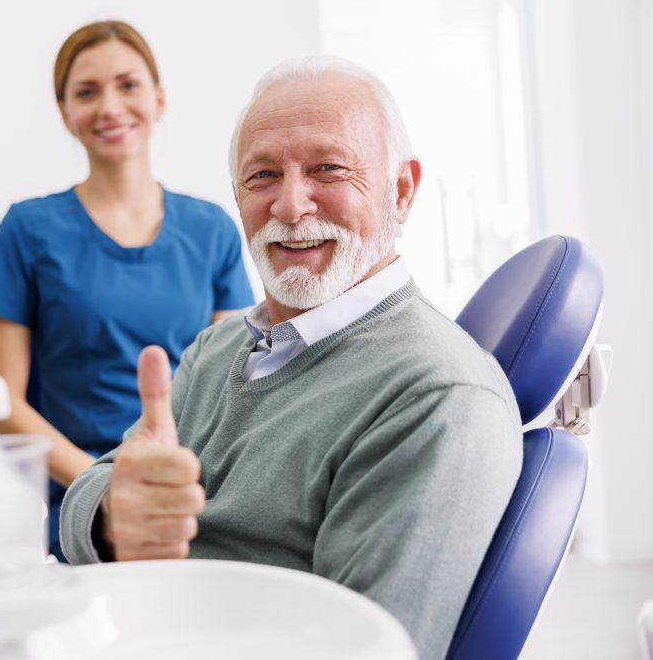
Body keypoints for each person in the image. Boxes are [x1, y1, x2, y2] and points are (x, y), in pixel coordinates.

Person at [59, 56, 523, 660]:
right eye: (262, 177)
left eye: (328, 168)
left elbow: (372, 649)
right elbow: (86, 501)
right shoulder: (218, 347)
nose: (290, 205)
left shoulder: (436, 396)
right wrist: (112, 515)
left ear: (401, 190)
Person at [0, 21, 254, 561]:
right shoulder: (28, 231)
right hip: (85, 517)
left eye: (128, 84)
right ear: (64, 113)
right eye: (87, 92)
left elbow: (231, 388)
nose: (110, 106)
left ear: (159, 98)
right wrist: (106, 492)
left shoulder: (212, 228)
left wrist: (173, 491)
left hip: (193, 504)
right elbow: (1, 403)